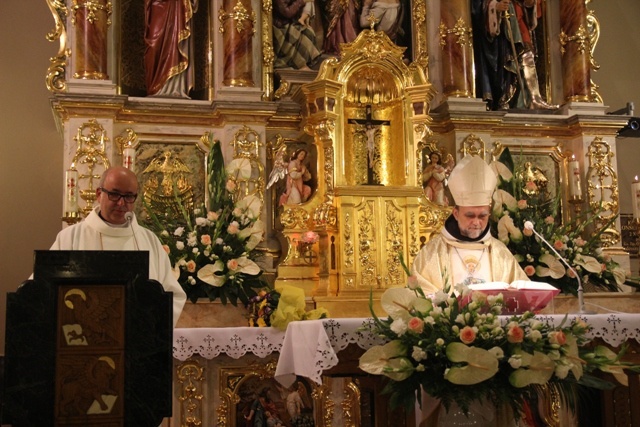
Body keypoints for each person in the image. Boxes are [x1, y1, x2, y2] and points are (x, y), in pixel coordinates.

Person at [48, 166, 187, 327]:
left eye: (129, 196)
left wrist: (149, 326)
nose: (121, 203)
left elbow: (173, 295)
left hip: (137, 339)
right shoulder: (70, 237)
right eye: (114, 194)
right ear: (99, 194)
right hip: (82, 337)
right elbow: (45, 289)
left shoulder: (149, 241)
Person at [412, 155, 528, 294]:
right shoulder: (433, 252)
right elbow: (420, 293)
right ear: (455, 213)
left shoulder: (500, 253)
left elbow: (522, 292)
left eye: (482, 216)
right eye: (470, 215)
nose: (476, 222)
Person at [471, 0, 555, 110]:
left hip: (518, 19)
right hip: (501, 27)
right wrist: (495, 7)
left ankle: (534, 98)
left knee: (527, 53)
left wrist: (529, 3)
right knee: (508, 61)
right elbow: (476, 6)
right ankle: (506, 99)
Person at [144, 0, 198, 98]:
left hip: (177, 6)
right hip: (157, 5)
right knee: (154, 46)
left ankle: (176, 87)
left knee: (176, 41)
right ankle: (155, 87)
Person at [273, 0, 322, 70]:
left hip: (288, 22)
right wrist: (301, 1)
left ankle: (303, 63)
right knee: (303, 33)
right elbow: (287, 12)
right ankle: (299, 64)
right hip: (280, 27)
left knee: (308, 32)